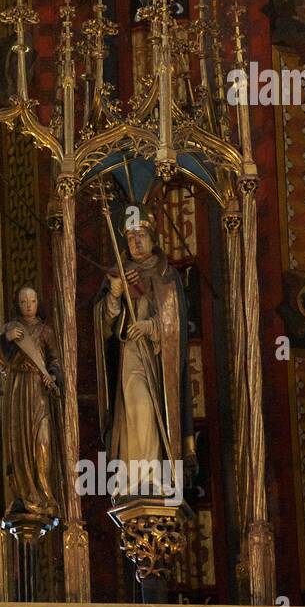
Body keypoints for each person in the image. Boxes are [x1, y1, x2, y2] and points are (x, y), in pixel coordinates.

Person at [94, 208, 194, 498]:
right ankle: (135, 477)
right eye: (131, 236)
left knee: (153, 409)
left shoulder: (167, 274)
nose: (136, 242)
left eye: (141, 235)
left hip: (160, 361)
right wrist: (113, 293)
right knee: (136, 407)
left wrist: (152, 327)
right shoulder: (119, 273)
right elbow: (103, 327)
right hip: (130, 355)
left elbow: (176, 323)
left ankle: (156, 475)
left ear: (153, 238)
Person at [0, 286, 64, 522]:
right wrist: (6, 340)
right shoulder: (11, 329)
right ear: (18, 304)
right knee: (20, 441)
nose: (28, 305)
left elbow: (55, 359)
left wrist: (53, 376)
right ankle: (23, 492)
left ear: (38, 303)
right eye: (23, 301)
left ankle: (45, 493)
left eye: (32, 300)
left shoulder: (45, 331)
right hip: (17, 389)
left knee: (42, 440)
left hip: (38, 390)